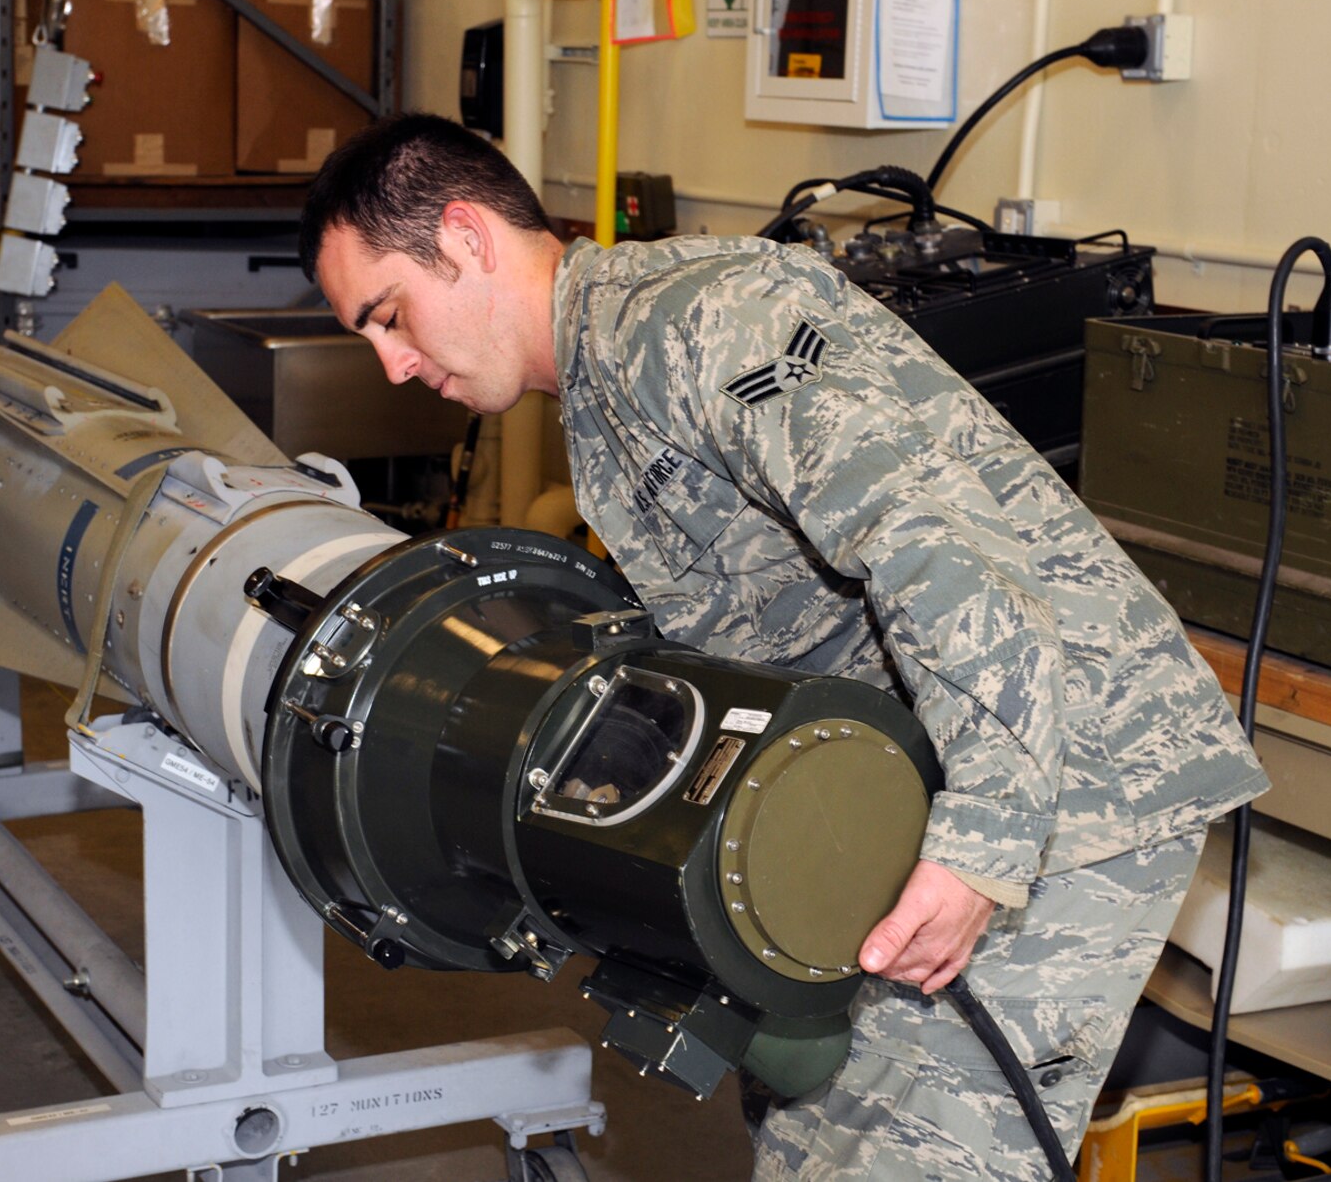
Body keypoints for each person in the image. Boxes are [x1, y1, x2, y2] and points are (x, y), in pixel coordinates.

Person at [301, 113, 1269, 1180]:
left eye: (388, 315)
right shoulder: (602, 381)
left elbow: (931, 548)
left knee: (903, 1158)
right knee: (812, 1129)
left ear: (468, 236)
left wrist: (981, 843)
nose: (391, 364)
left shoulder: (698, 320)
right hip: (896, 772)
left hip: (1065, 773)